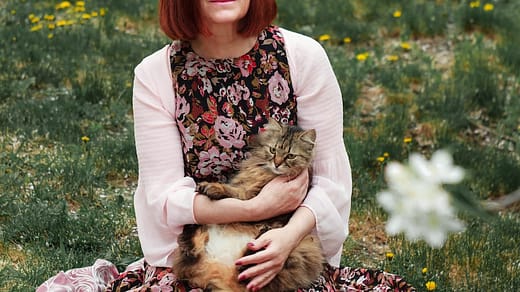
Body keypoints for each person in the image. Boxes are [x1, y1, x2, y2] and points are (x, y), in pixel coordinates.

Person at [38, 0, 415, 291]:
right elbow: (163, 197)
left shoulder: (303, 58)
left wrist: (285, 238)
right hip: (202, 252)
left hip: (286, 246)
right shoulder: (155, 75)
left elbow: (331, 181)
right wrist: (253, 207)